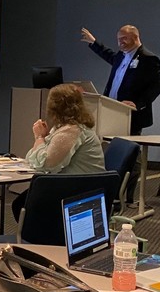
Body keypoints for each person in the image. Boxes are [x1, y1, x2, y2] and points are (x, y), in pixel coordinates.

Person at [81, 25, 160, 202]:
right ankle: (113, 191)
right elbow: (108, 55)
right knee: (114, 151)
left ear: (135, 37)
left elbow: (157, 86)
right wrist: (94, 42)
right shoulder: (120, 56)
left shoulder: (149, 59)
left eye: (124, 39)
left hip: (131, 115)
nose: (120, 43)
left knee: (130, 155)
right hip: (112, 112)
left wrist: (138, 104)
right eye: (118, 39)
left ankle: (129, 196)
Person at [12, 83, 106, 220]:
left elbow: (45, 163)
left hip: (79, 190)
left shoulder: (71, 130)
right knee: (22, 202)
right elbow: (34, 159)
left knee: (22, 205)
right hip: (78, 185)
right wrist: (42, 140)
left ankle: (43, 233)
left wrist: (39, 137)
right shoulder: (66, 127)